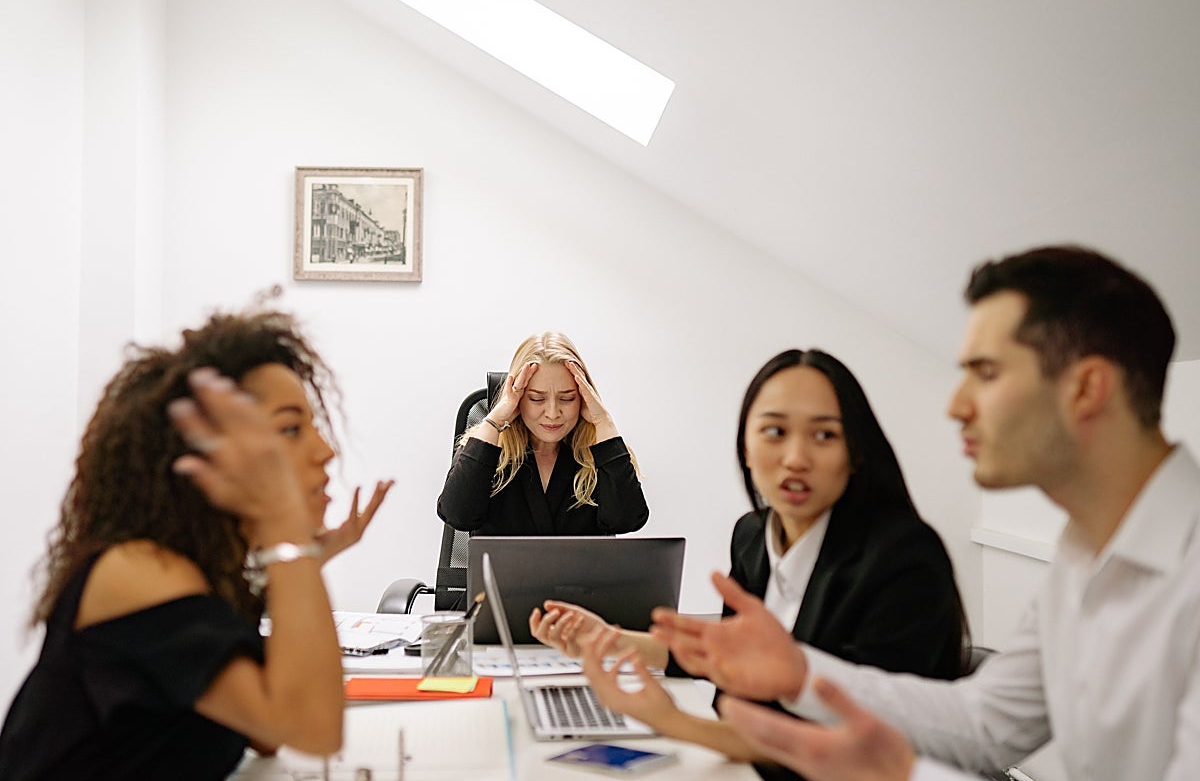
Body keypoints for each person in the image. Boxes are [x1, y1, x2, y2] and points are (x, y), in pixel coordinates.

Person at [653, 246, 1199, 781]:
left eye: (986, 373)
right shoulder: (1083, 556)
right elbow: (984, 726)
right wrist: (800, 674)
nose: (956, 405)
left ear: (1086, 388)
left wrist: (901, 771)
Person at [530, 349, 967, 775]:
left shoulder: (903, 559)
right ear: (745, 447)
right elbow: (726, 660)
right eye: (775, 432)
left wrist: (674, 722)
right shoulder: (754, 536)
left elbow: (854, 749)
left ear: (856, 452)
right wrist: (608, 639)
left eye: (824, 436)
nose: (796, 458)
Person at [0, 309, 395, 780]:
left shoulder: (207, 575)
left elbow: (264, 731)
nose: (325, 451)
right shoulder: (136, 570)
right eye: (291, 429)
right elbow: (312, 726)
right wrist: (288, 536)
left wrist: (298, 560)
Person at [436, 331, 649, 536]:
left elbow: (627, 520)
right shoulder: (486, 445)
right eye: (537, 399)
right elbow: (458, 516)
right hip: (504, 564)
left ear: (584, 398)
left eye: (567, 398)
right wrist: (493, 423)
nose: (553, 413)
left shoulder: (601, 450)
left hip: (582, 565)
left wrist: (604, 423)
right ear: (518, 397)